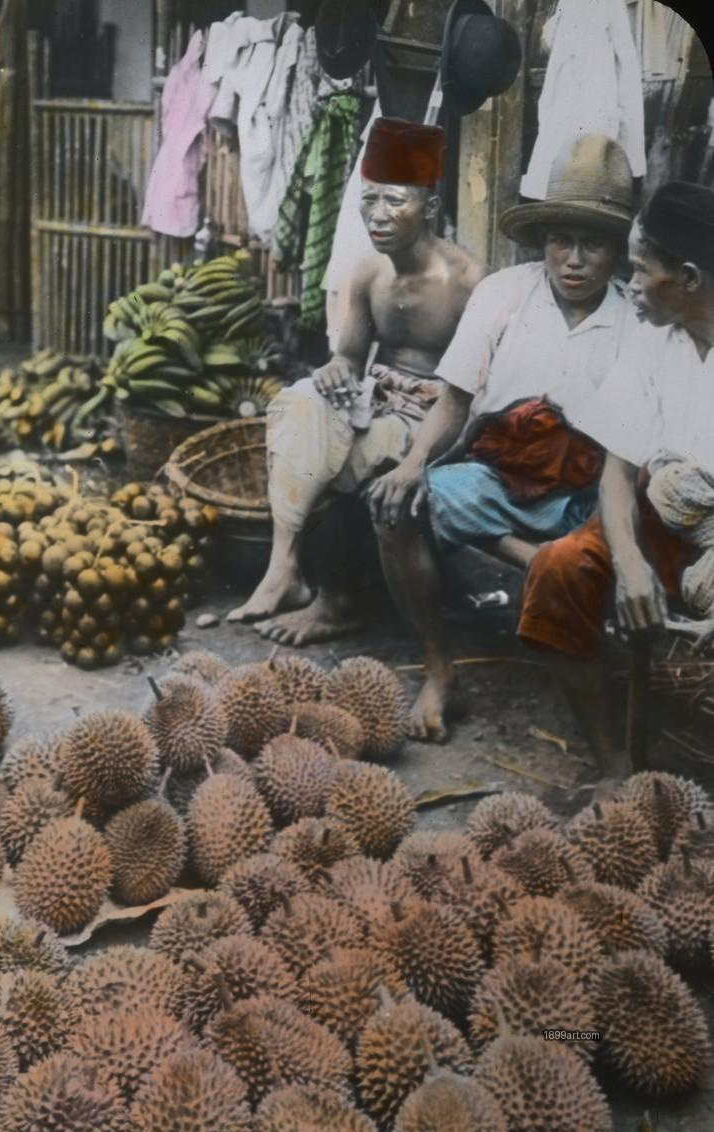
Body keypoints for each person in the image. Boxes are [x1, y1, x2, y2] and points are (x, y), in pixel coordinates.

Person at [368, 133, 639, 741]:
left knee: (611, 534)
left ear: (617, 251)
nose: (572, 259)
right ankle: (440, 673)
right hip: (499, 478)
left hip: (589, 495)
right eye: (559, 240)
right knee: (394, 503)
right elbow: (456, 400)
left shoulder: (634, 322)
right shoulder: (503, 296)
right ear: (541, 241)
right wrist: (414, 462)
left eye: (592, 244)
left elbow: (628, 458)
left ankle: (552, 577)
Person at [227, 117, 482, 641]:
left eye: (394, 201)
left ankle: (337, 601)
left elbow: (471, 397)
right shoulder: (368, 272)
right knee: (299, 404)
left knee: (349, 451)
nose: (378, 215)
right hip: (379, 400)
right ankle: (285, 569)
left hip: (440, 420)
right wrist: (336, 369)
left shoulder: (469, 282)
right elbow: (347, 356)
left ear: (430, 208)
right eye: (369, 200)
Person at [517, 180, 714, 779]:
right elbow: (619, 469)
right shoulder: (654, 339)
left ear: (688, 278)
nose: (628, 285)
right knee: (557, 568)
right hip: (661, 522)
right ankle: (613, 764)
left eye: (639, 269)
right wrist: (628, 562)